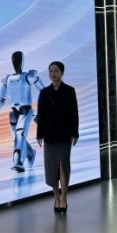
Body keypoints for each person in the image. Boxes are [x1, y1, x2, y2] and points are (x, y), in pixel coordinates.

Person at [0, 50, 44, 172]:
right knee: (17, 137)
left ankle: (18, 162)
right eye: (14, 60)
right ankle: (30, 153)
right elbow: (2, 101)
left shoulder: (29, 76)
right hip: (14, 112)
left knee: (20, 134)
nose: (16, 63)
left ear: (22, 61)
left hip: (26, 110)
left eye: (18, 60)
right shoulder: (7, 79)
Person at [36, 61, 79, 214]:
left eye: (56, 71)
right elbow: (41, 115)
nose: (53, 74)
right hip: (49, 136)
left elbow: (74, 113)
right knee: (52, 168)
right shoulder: (44, 92)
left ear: (62, 73)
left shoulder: (69, 91)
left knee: (63, 167)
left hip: (65, 135)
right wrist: (39, 134)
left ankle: (64, 198)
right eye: (51, 71)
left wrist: (75, 133)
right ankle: (56, 197)